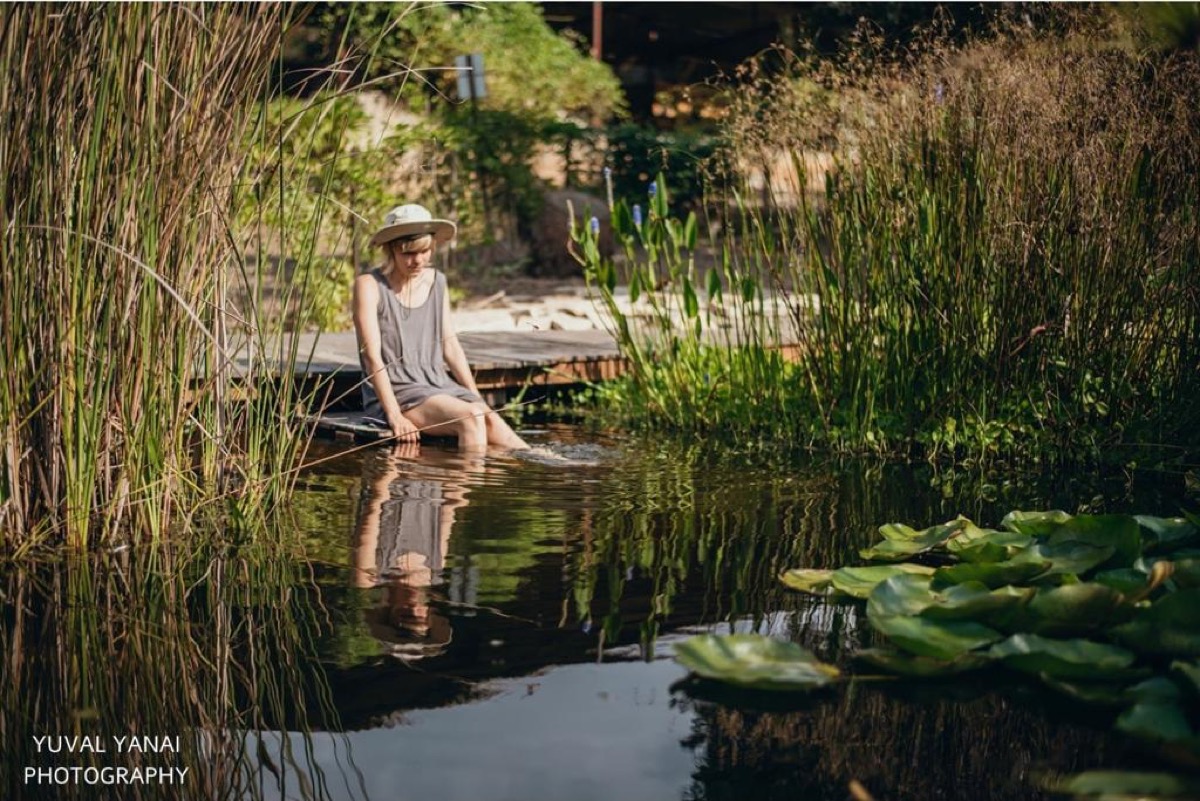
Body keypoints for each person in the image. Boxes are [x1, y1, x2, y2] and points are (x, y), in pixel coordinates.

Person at [353, 204, 529, 451]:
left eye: (424, 251)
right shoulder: (369, 285)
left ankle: (554, 470)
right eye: (408, 253)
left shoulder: (437, 281)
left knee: (512, 441)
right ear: (391, 249)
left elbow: (450, 346)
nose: (418, 261)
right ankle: (466, 477)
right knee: (471, 418)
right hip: (398, 391)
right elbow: (371, 357)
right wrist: (394, 415)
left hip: (439, 384)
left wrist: (475, 396)